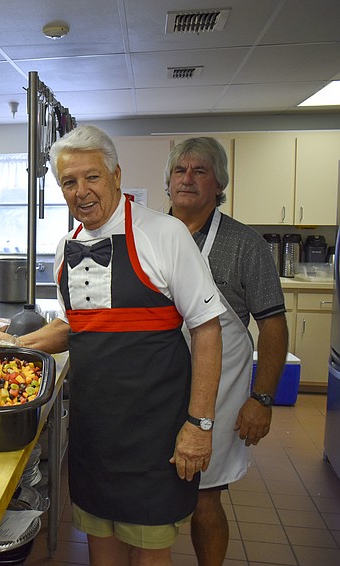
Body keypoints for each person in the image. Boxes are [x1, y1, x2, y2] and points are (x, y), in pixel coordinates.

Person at [0, 124, 225, 566]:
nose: (81, 191)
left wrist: (200, 425)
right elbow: (79, 327)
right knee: (100, 543)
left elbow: (208, 329)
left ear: (116, 174)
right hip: (94, 432)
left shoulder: (165, 235)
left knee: (150, 549)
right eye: (68, 182)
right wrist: (15, 342)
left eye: (91, 177)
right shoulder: (66, 249)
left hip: (155, 433)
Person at [166, 137, 288, 566]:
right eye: (180, 171)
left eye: (200, 171)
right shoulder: (147, 237)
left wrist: (262, 398)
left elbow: (273, 324)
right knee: (145, 497)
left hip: (219, 392)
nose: (187, 179)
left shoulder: (245, 245)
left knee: (205, 496)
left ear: (220, 185)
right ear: (167, 184)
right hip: (155, 388)